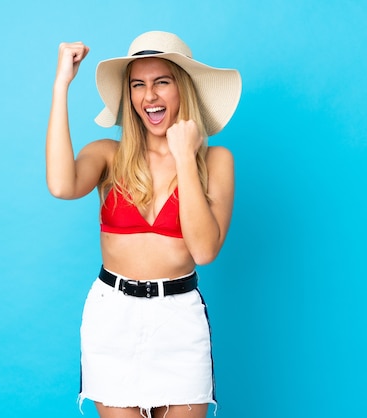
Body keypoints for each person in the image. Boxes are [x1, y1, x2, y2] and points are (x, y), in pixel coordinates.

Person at [46, 31, 241, 418]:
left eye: (161, 82)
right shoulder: (107, 155)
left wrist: (185, 155)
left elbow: (204, 251)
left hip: (178, 320)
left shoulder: (216, 161)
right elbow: (61, 185)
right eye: (138, 85)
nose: (149, 96)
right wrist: (61, 85)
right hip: (112, 316)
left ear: (182, 89)